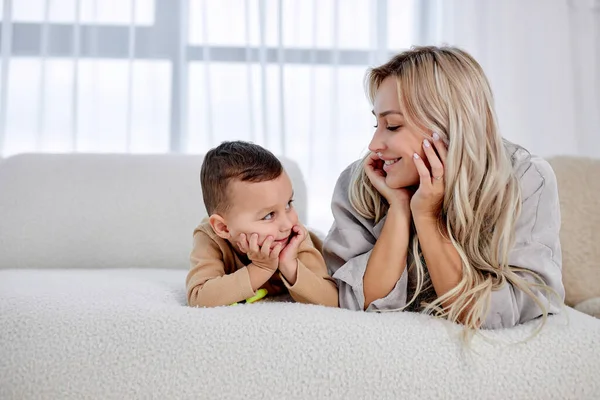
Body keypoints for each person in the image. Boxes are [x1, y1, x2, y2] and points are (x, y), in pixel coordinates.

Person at [323, 46, 564, 330]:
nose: (374, 144)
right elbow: (354, 304)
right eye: (376, 123)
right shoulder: (362, 182)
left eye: (392, 126)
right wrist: (400, 209)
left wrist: (427, 216)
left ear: (448, 126)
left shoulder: (525, 179)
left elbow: (502, 313)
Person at [186, 140, 338, 308]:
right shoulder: (210, 237)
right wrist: (261, 268)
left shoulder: (294, 236)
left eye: (288, 204)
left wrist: (289, 265)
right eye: (268, 216)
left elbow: (332, 300)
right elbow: (199, 297)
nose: (287, 223)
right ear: (223, 228)